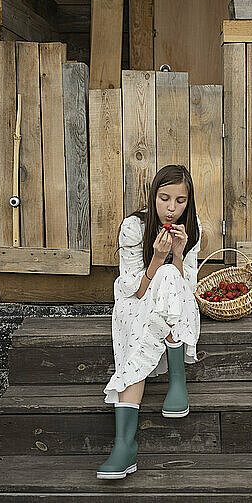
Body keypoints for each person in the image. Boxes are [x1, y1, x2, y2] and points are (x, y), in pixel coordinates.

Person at [97, 164, 202, 480]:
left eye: (180, 201)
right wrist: (157, 259)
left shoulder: (193, 229)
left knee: (172, 274)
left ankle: (126, 445)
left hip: (176, 307)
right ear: (153, 196)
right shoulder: (133, 227)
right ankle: (125, 442)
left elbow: (187, 291)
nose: (171, 209)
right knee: (141, 330)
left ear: (189, 201)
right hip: (136, 302)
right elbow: (138, 289)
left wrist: (179, 255)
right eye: (164, 198)